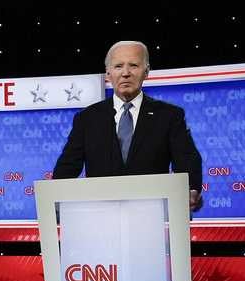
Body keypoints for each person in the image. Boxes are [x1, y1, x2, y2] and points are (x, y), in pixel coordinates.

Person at [52, 40, 203, 211]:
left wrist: (191, 191)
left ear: (146, 72)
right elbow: (67, 168)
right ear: (108, 74)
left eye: (133, 65)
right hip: (99, 217)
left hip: (152, 215)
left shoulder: (170, 116)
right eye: (118, 66)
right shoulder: (87, 119)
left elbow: (187, 161)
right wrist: (54, 196)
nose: (125, 73)